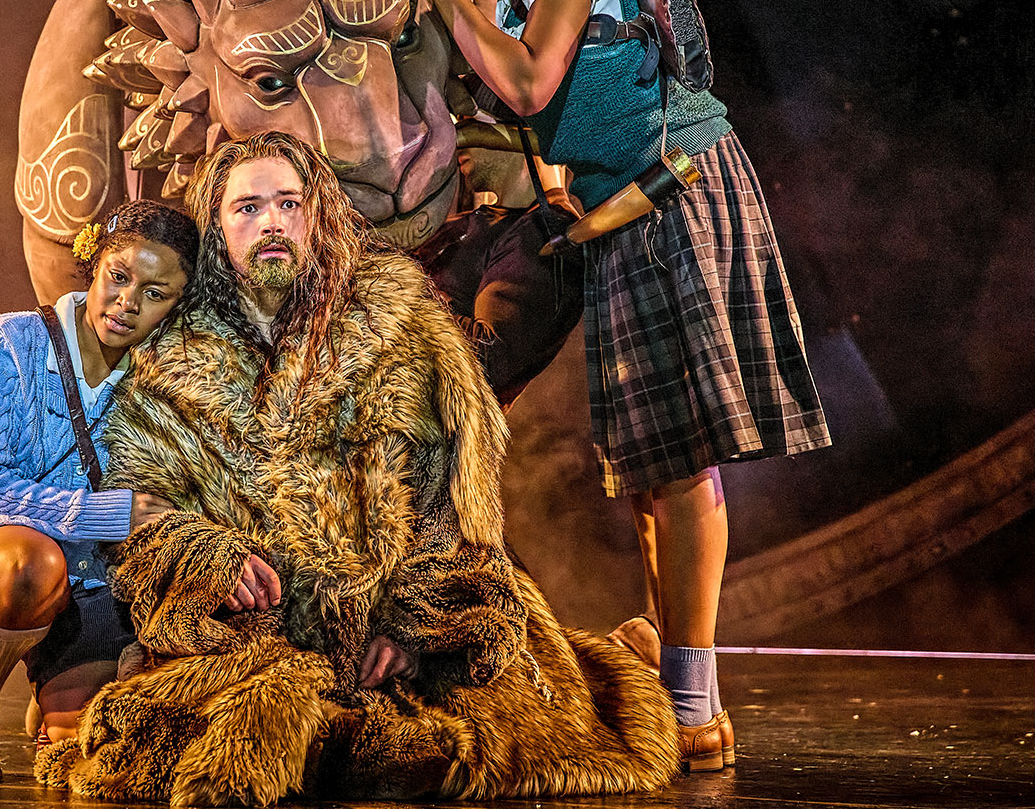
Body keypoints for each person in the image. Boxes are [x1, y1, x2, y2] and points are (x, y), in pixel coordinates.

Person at [354, 0, 831, 772]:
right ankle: (678, 660)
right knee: (653, 461)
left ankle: (695, 694)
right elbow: (561, 109)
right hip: (619, 209)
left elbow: (531, 86)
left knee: (683, 460)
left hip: (672, 198)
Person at [36, 131, 678, 805]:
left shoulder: (397, 331)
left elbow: (450, 507)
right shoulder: (175, 353)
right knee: (200, 733)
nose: (272, 222)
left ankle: (619, 658)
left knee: (474, 731)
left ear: (316, 216)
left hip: (392, 617)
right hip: (256, 627)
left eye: (288, 203)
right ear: (217, 228)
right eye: (247, 208)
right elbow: (144, 506)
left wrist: (410, 629)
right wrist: (206, 555)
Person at [0, 200, 199, 783]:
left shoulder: (169, 378)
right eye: (118, 277)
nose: (127, 302)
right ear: (94, 266)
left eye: (155, 292)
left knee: (86, 748)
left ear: (176, 304)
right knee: (28, 565)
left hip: (95, 576)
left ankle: (54, 695)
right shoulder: (11, 340)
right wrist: (110, 514)